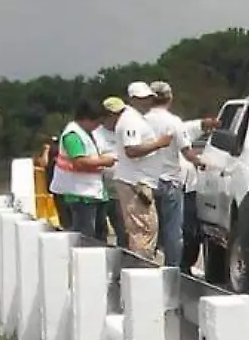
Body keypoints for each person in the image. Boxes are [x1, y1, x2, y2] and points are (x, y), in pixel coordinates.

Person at [145, 80, 220, 273]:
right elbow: (187, 151)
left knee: (147, 229)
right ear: (170, 98)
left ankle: (144, 267)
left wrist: (204, 124)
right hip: (171, 183)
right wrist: (201, 163)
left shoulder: (140, 121)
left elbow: (194, 127)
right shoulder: (174, 123)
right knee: (173, 230)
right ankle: (173, 270)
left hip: (145, 182)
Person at [112, 81, 175, 259]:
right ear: (132, 99)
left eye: (149, 98)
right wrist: (159, 143)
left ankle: (139, 267)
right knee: (143, 229)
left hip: (138, 181)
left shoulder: (135, 118)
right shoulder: (131, 120)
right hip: (135, 182)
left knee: (145, 228)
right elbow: (131, 150)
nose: (147, 102)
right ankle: (140, 269)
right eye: (142, 99)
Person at [48, 101, 118, 239]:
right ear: (86, 119)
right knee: (85, 236)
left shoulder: (86, 133)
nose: (98, 125)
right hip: (79, 194)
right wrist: (104, 161)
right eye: (97, 122)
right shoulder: (73, 135)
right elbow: (80, 162)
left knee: (99, 234)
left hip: (91, 192)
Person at [94, 97, 129, 249]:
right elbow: (95, 158)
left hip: (120, 189)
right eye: (117, 114)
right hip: (101, 188)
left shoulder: (124, 133)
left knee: (124, 230)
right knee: (100, 229)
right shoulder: (96, 135)